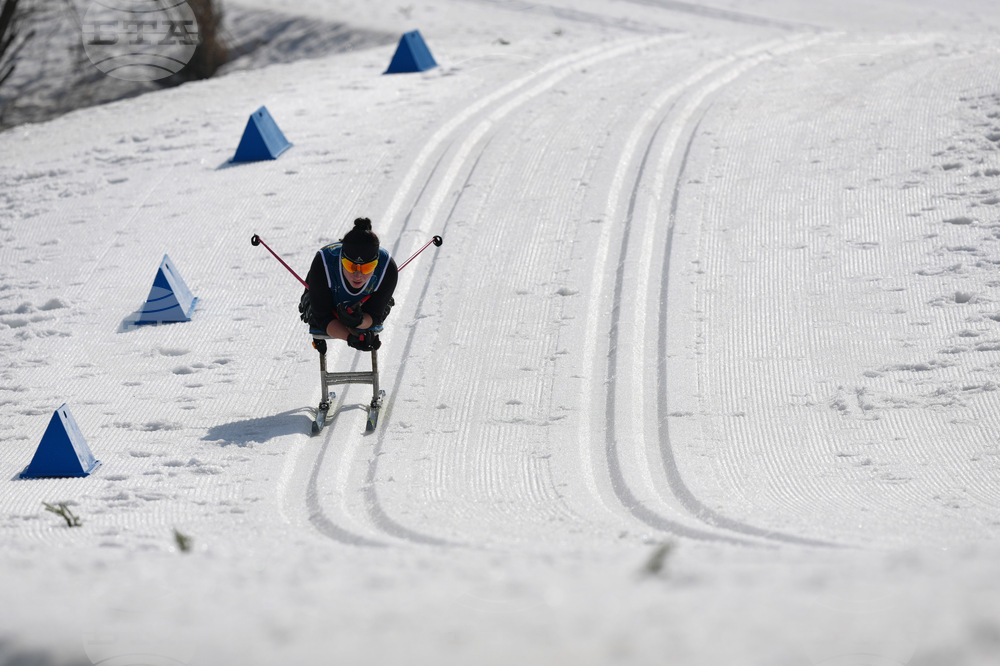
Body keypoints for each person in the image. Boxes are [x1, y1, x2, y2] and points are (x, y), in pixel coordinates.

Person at [301, 218, 397, 351]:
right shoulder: (324, 262)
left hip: (366, 308)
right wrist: (350, 338)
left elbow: (375, 314)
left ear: (376, 263)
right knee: (312, 309)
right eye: (350, 266)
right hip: (327, 301)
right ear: (341, 258)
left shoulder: (387, 268)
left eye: (367, 268)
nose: (358, 275)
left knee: (385, 306)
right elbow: (322, 317)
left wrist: (360, 322)